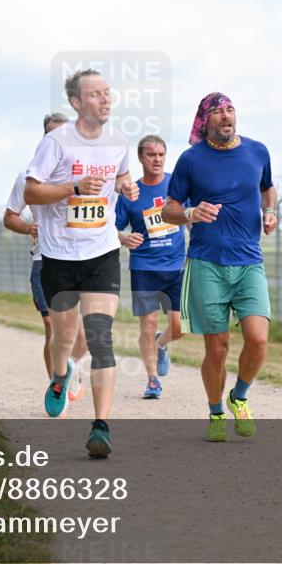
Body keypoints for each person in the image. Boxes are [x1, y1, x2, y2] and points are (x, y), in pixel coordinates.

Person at [24, 68, 139, 458]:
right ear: (76, 103)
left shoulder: (119, 141)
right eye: (95, 94)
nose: (106, 99)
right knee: (63, 340)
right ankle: (60, 376)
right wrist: (73, 187)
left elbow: (121, 176)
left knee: (101, 337)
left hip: (102, 251)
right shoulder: (56, 143)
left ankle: (101, 426)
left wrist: (127, 186)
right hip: (59, 256)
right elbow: (32, 191)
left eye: (108, 93)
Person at [161, 92, 276, 442]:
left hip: (248, 262)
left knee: (258, 339)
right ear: (204, 120)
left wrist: (269, 212)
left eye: (230, 109)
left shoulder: (257, 151)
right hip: (207, 263)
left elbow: (267, 189)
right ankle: (215, 412)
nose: (226, 116)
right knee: (218, 348)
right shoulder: (191, 160)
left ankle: (238, 397)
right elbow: (169, 209)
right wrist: (191, 214)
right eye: (218, 112)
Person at [4, 112, 87, 383]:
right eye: (55, 135)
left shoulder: (84, 175)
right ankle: (57, 384)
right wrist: (29, 227)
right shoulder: (27, 177)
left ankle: (69, 369)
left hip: (82, 257)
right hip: (45, 259)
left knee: (85, 332)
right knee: (53, 326)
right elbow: (10, 216)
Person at [115, 135, 186, 399]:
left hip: (176, 265)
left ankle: (161, 344)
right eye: (151, 155)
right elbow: (114, 228)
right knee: (147, 324)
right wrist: (124, 239)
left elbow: (189, 217)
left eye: (160, 155)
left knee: (180, 326)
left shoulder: (176, 185)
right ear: (141, 158)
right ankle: (152, 380)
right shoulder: (131, 192)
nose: (156, 160)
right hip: (144, 266)